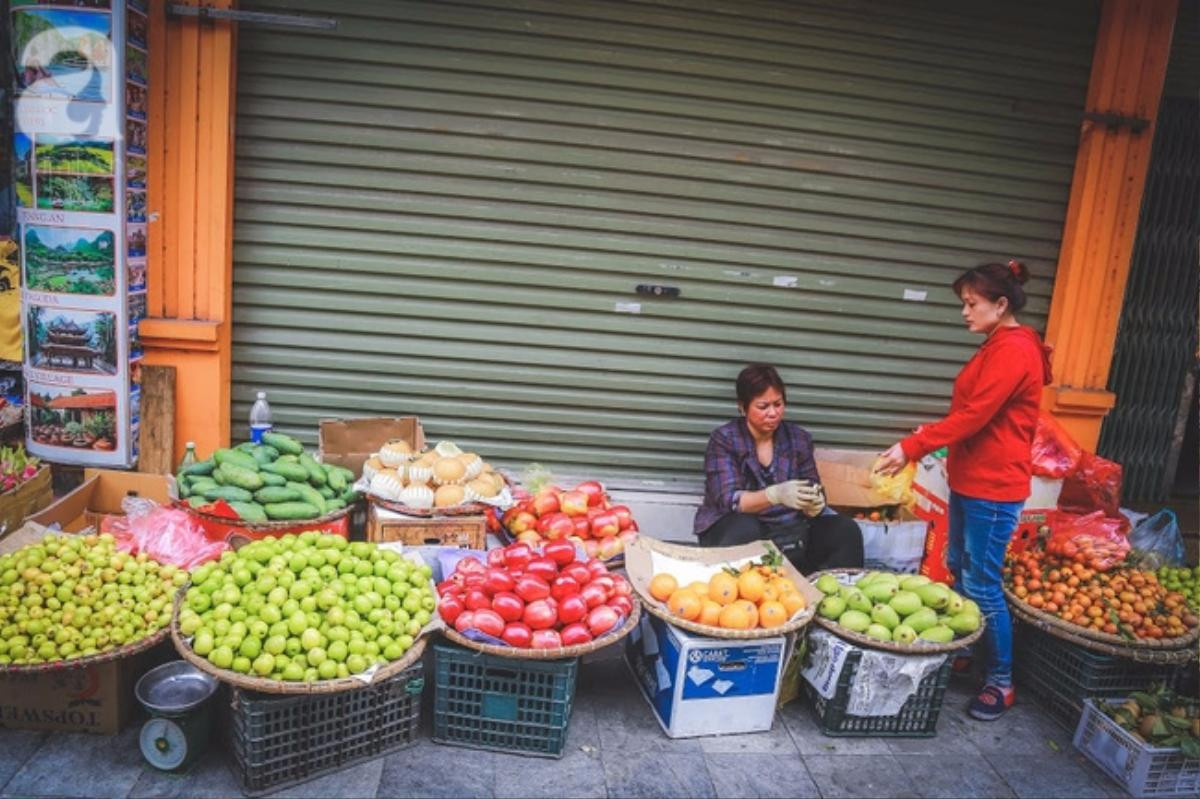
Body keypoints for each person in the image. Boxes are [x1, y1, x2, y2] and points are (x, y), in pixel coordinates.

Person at [875, 259, 1052, 722]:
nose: (964, 313)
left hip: (994, 488)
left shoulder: (1014, 350)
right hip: (971, 481)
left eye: (971, 304)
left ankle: (1001, 680)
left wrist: (913, 445)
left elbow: (975, 416)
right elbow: (973, 414)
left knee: (982, 583)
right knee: (958, 567)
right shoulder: (998, 344)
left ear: (1001, 303)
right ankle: (972, 653)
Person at [694, 363, 863, 575]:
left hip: (791, 532)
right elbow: (729, 500)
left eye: (778, 404)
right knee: (746, 528)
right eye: (763, 407)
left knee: (845, 530)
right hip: (737, 530)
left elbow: (812, 483)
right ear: (742, 406)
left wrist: (815, 503)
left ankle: (834, 595)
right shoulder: (724, 440)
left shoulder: (798, 438)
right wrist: (774, 495)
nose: (773, 413)